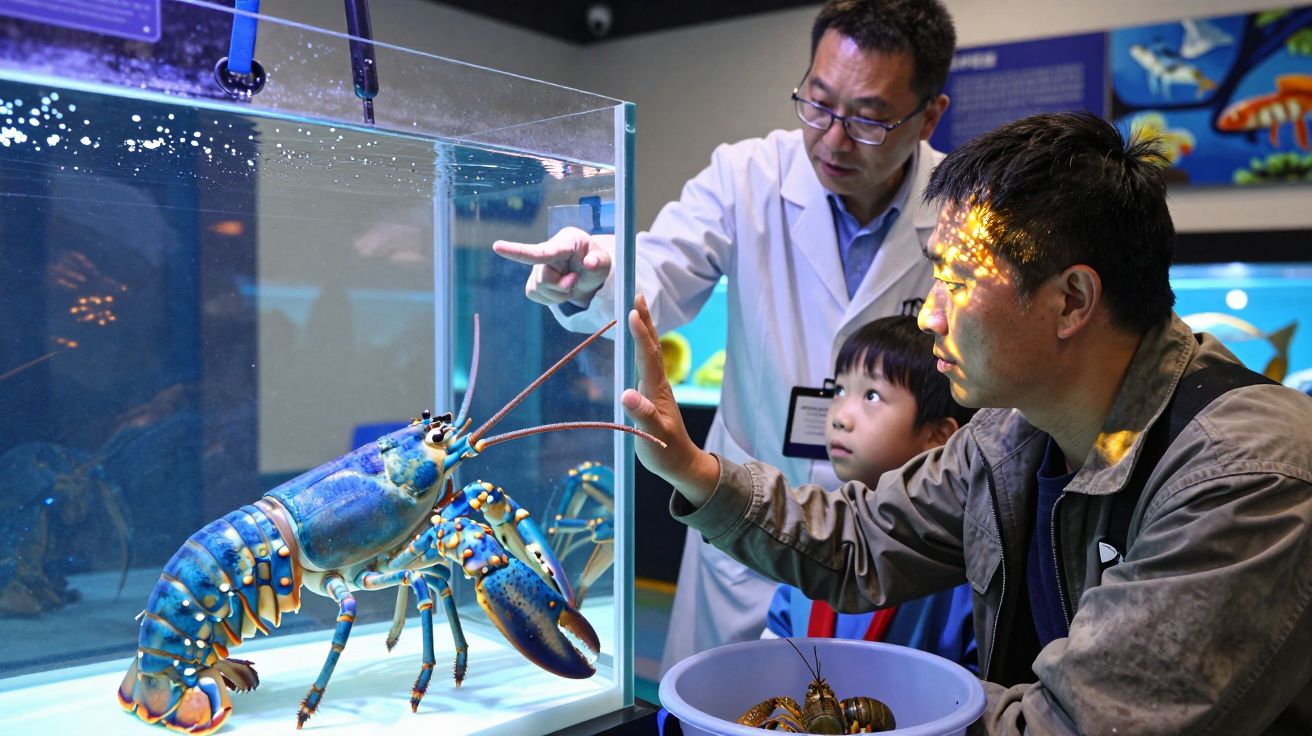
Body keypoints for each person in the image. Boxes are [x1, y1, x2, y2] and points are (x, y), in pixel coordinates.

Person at [620, 111, 1312, 734]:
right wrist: (694, 469)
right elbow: (861, 541)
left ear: (1072, 301)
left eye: (955, 281)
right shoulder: (1011, 433)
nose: (929, 315)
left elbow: (1079, 723)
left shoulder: (1246, 475)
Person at [493, 0, 956, 673]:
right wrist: (596, 274)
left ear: (929, 116)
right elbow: (657, 271)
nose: (832, 139)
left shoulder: (959, 211)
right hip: (744, 534)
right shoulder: (748, 175)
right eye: (817, 104)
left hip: (888, 544)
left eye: (867, 119)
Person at [763, 314, 976, 670]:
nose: (840, 417)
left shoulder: (956, 565)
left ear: (939, 435)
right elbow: (778, 636)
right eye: (839, 390)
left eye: (872, 395)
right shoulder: (817, 536)